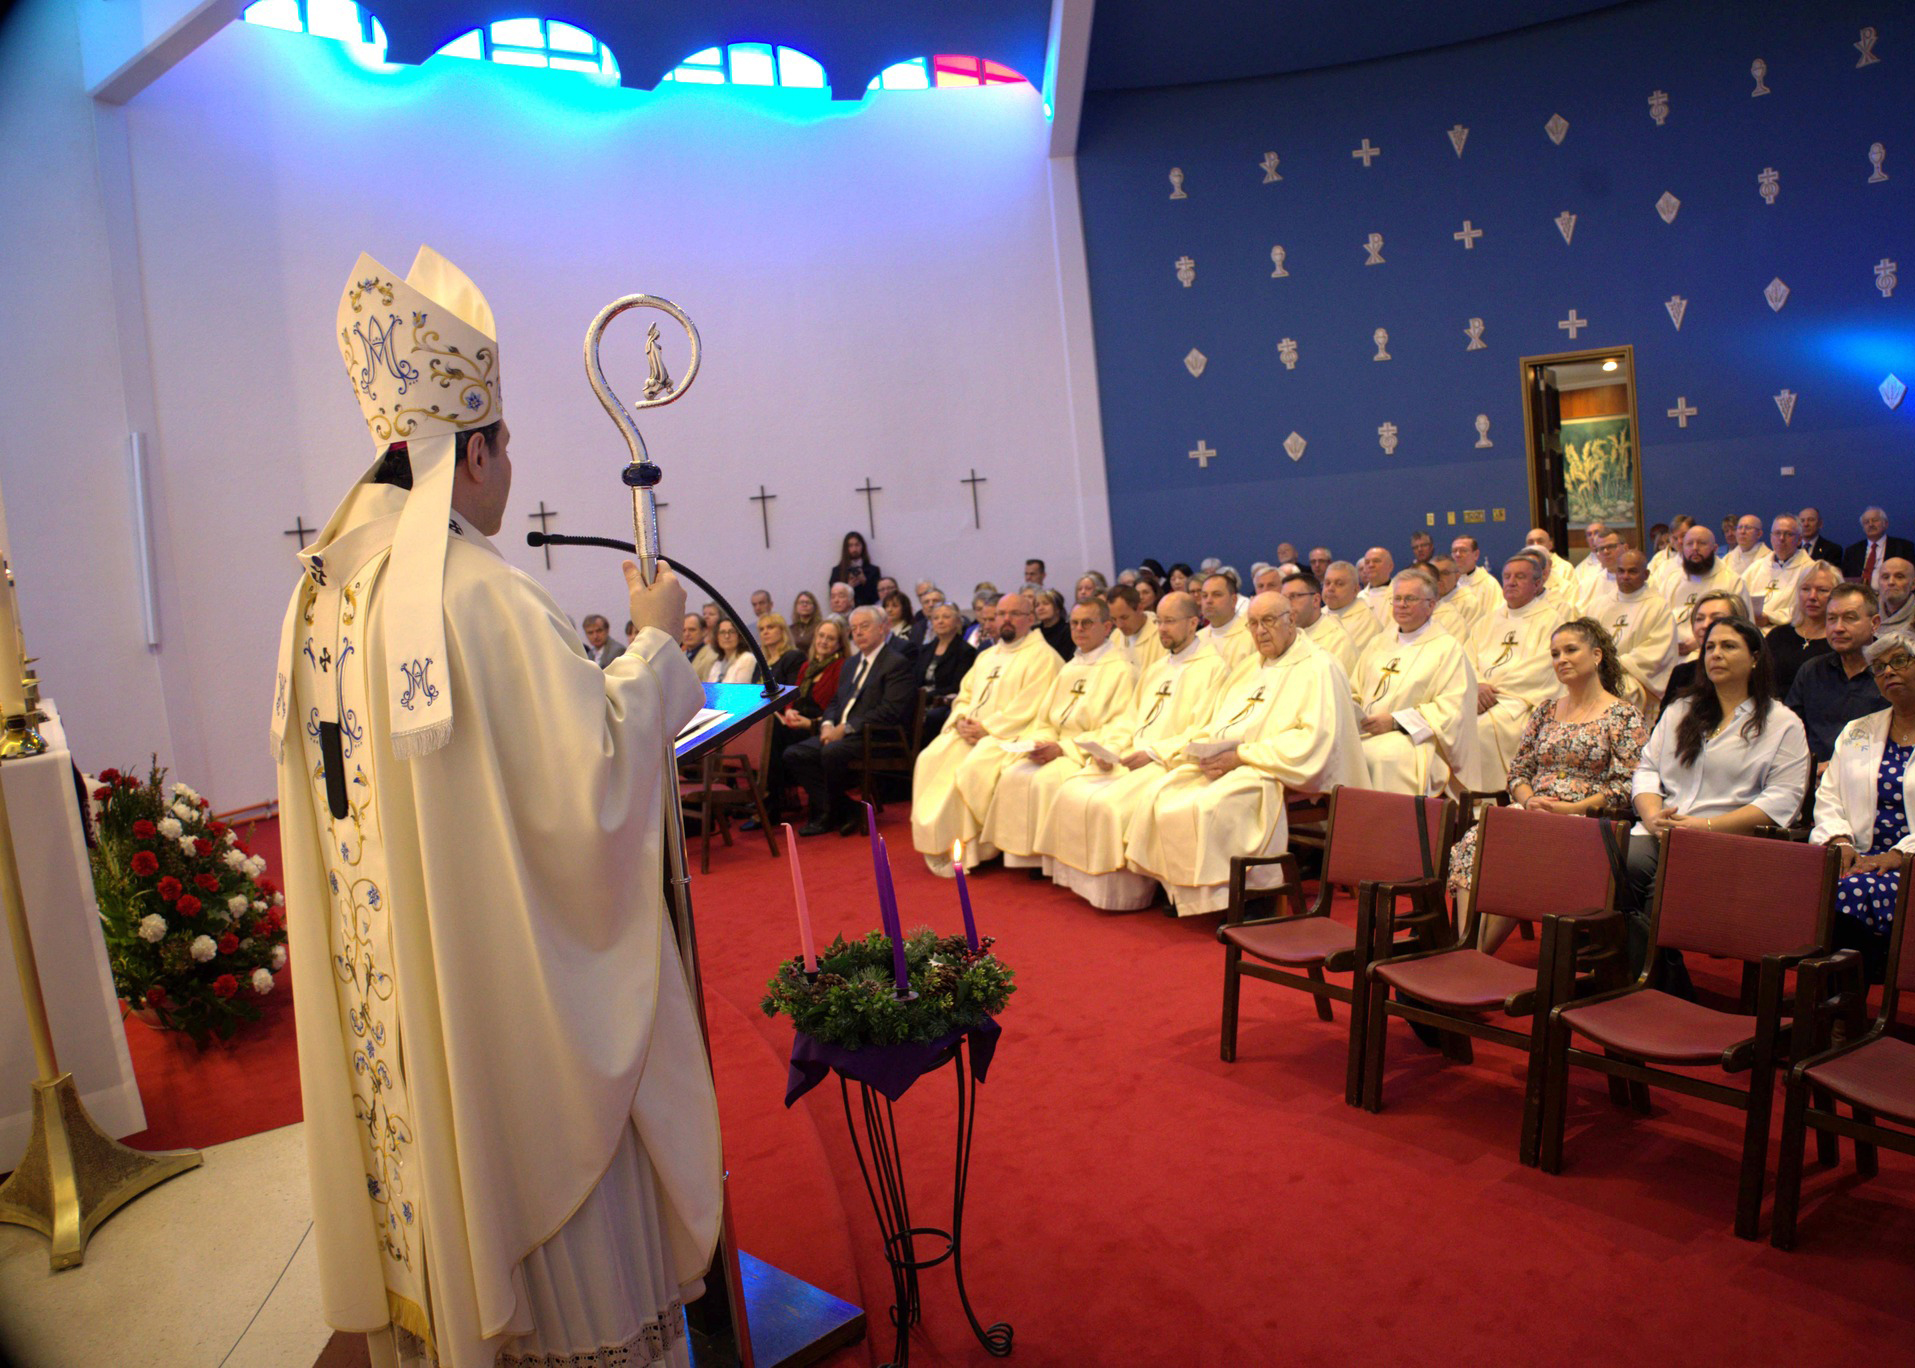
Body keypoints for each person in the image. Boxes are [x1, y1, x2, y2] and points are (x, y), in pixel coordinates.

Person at [274, 248, 717, 1368]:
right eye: (505, 442)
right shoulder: (479, 594)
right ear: (472, 451)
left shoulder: (323, 602)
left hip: (418, 1034)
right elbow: (592, 797)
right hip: (514, 1025)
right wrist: (659, 643)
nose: (509, 464)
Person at [1126, 592, 1367, 915]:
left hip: (1276, 768)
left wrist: (1243, 755)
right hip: (1236, 760)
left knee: (1213, 805)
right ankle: (1185, 891)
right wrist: (1207, 753)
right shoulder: (1248, 667)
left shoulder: (1319, 666)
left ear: (1291, 620)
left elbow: (1314, 740)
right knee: (1162, 792)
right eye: (1252, 623)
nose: (1260, 631)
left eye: (1268, 621)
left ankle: (1251, 896)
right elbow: (1218, 722)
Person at [1628, 619, 1811, 985]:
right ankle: (1654, 985)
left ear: (1756, 657)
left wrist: (1704, 827)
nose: (1716, 654)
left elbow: (1783, 800)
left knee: (1655, 885)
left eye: (1729, 646)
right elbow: (1647, 768)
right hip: (1665, 828)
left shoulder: (1781, 723)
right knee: (1619, 864)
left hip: (1728, 840)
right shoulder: (1682, 710)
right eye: (1710, 647)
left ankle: (1652, 990)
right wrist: (1651, 816)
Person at [1449, 620, 1647, 948]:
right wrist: (1528, 801)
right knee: (1476, 839)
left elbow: (1627, 785)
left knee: (1528, 853)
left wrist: (1569, 808)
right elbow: (1519, 772)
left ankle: (1474, 955)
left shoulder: (1623, 715)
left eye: (1571, 650)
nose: (1561, 660)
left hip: (1587, 820)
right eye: (1555, 654)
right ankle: (1467, 945)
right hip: (1535, 810)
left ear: (1597, 655)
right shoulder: (1545, 711)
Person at [1035, 593, 1227, 910]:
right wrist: (1109, 748)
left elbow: (1204, 729)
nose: (1162, 629)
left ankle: (1124, 897)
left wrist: (1154, 753)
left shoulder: (1213, 668)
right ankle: (1089, 887)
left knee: (1109, 805)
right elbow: (1130, 719)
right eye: (1160, 621)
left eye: (1169, 622)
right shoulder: (1156, 669)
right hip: (1131, 755)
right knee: (1071, 789)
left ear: (1193, 623)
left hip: (1168, 761)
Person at [976, 599, 1137, 869]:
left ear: (1107, 626)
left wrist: (1063, 748)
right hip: (1056, 744)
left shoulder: (1122, 669)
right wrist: (1041, 741)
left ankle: (1047, 861)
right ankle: (1021, 858)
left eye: (1087, 623)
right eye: (1074, 623)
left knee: (1043, 781)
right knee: (1013, 774)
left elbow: (1120, 726)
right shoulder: (1069, 668)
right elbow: (1045, 717)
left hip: (1082, 751)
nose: (1079, 629)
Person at [910, 593, 1062, 875]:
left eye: (1014, 614)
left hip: (1008, 735)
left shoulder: (1043, 657)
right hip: (971, 732)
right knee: (928, 758)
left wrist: (987, 729)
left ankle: (971, 846)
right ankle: (938, 842)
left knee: (969, 769)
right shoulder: (986, 656)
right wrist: (960, 721)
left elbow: (1030, 705)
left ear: (1030, 619)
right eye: (1000, 614)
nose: (1006, 620)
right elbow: (965, 695)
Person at [1810, 629, 1915, 979]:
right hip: (1858, 858)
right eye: (1880, 667)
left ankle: (1838, 1008)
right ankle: (1839, 1006)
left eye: (1900, 661)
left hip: (1908, 865)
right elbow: (1829, 795)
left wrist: (1899, 856)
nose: (1888, 672)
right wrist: (1839, 841)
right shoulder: (1859, 730)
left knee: (1847, 894)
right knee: (1809, 885)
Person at [784, 606, 916, 836]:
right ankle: (849, 808)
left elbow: (890, 711)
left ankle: (828, 814)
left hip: (875, 736)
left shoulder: (896, 663)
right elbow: (836, 702)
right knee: (794, 753)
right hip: (842, 734)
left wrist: (845, 728)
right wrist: (827, 725)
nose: (858, 633)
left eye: (864, 627)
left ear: (882, 628)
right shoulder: (852, 663)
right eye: (854, 628)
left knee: (831, 752)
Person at [1349, 569, 1478, 795]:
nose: (1402, 605)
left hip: (1417, 741)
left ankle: (1389, 828)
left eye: (1410, 599)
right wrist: (1353, 711)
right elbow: (1354, 691)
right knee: (1343, 752)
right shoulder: (1378, 644)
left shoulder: (1447, 649)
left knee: (1381, 757)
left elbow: (1452, 710)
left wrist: (1396, 722)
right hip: (1368, 732)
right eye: (1397, 599)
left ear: (1431, 605)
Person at [1465, 554, 1569, 793]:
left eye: (1520, 577)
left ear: (1537, 584)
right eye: (1507, 577)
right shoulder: (1487, 621)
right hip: (1479, 697)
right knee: (1452, 726)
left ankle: (1490, 799)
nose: (1511, 582)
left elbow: (1543, 668)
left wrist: (1492, 690)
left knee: (1479, 730)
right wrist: (1478, 685)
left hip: (1520, 701)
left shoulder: (1550, 620)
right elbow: (1467, 659)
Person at [1785, 582, 1885, 765]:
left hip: (1873, 778)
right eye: (1831, 618)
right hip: (1812, 777)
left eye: (1850, 618)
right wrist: (1809, 768)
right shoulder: (1811, 671)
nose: (1838, 627)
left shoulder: (1891, 673)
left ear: (1875, 623)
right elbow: (1788, 733)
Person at [768, 620, 848, 815]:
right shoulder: (807, 666)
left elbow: (836, 706)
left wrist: (810, 723)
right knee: (769, 728)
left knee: (775, 736)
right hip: (798, 722)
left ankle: (773, 802)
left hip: (819, 725)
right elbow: (794, 696)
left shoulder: (841, 666)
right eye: (821, 636)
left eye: (830, 638)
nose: (824, 641)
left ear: (839, 644)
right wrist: (788, 711)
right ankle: (772, 798)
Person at [1588, 548, 1677, 719]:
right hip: (1599, 673)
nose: (1625, 576)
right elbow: (1585, 641)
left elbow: (1658, 650)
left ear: (1646, 574)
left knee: (1622, 694)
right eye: (1621, 571)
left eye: (1632, 571)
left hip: (1634, 678)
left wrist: (1617, 665)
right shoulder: (1598, 605)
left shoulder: (1657, 607)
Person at [1663, 524, 1746, 658]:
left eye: (1702, 543)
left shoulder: (1732, 581)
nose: (1695, 548)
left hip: (1713, 652)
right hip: (1671, 652)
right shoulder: (1672, 581)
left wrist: (1699, 642)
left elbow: (1742, 628)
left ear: (1714, 549)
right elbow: (1661, 620)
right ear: (1683, 549)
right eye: (1689, 544)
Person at [1765, 561, 1839, 695]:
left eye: (1822, 590)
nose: (1812, 597)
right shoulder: (1777, 636)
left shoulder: (1840, 641)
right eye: (1806, 589)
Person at [1662, 589, 1747, 698]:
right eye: (1699, 619)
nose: (1705, 625)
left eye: (1716, 618)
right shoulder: (1682, 674)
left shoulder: (1748, 673)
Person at [916, 602, 978, 737]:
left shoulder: (965, 651)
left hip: (944, 702)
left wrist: (927, 696)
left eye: (946, 617)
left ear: (957, 622)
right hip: (920, 700)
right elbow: (915, 679)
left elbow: (958, 686)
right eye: (936, 618)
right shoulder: (925, 649)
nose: (940, 621)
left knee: (934, 716)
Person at [1742, 514, 1812, 630]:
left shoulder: (1809, 570)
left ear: (1799, 540)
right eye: (1777, 533)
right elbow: (1738, 597)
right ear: (1771, 537)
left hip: (1785, 631)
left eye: (1788, 534)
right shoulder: (1756, 567)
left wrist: (1769, 617)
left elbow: (1806, 608)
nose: (1781, 538)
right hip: (1750, 630)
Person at [1281, 570, 1356, 674]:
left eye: (1293, 596)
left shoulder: (1338, 641)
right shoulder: (1282, 636)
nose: (1287, 604)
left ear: (1315, 600)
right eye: (1284, 598)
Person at [1842, 506, 1914, 591]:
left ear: (1886, 524)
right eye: (1866, 522)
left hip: (1890, 596)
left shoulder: (1903, 547)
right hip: (1858, 597)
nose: (1871, 524)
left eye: (1875, 520)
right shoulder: (1852, 551)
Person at [1321, 560, 1382, 656]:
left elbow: (1348, 659)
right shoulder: (1318, 614)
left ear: (1355, 590)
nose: (1331, 588)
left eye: (1339, 584)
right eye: (1327, 583)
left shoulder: (1366, 622)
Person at [1199, 571, 1255, 674]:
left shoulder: (1251, 636)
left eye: (1216, 595)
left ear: (1233, 600)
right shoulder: (1197, 639)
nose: (1208, 601)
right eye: (1204, 596)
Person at [1107, 583, 1165, 678]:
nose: (1119, 625)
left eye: (1124, 617)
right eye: (1114, 619)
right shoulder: (1115, 636)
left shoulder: (1161, 634)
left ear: (1140, 608)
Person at [1429, 556, 1481, 641]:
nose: (1438, 577)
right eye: (1434, 573)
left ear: (1457, 576)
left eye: (1444, 573)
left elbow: (1472, 639)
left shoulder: (1469, 603)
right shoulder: (1423, 602)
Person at [1451, 535, 1501, 621]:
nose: (1458, 554)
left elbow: (1497, 615)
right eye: (1454, 551)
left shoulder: (1489, 584)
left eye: (1463, 550)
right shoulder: (1447, 584)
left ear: (1476, 555)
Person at [828, 531, 881, 606]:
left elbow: (877, 597)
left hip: (867, 611)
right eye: (850, 545)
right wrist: (848, 588)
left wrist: (865, 582)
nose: (854, 549)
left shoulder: (873, 571)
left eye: (857, 545)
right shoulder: (837, 571)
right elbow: (833, 598)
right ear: (846, 549)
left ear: (862, 546)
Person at [756, 613, 803, 685]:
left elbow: (793, 691)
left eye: (770, 627)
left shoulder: (793, 657)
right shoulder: (760, 664)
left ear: (782, 631)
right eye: (761, 629)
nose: (765, 632)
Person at [704, 617, 754, 684]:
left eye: (731, 632)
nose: (727, 636)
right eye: (722, 632)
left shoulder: (747, 659)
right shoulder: (718, 663)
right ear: (717, 637)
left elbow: (739, 691)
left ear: (739, 635)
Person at [1722, 513, 1770, 578]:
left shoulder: (1769, 558)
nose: (1742, 532)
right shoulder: (1727, 559)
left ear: (1759, 534)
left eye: (1748, 528)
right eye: (1740, 527)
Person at [1357, 547, 1396, 624]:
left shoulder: (1399, 594)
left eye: (1376, 561)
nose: (1371, 565)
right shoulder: (1359, 598)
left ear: (1390, 566)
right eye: (1367, 562)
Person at [1034, 586, 1074, 658]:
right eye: (1037, 605)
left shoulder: (1068, 631)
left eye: (1045, 603)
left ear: (1057, 608)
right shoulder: (1033, 631)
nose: (1040, 608)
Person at [1880, 557, 1915, 631]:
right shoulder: (1868, 611)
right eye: (1885, 577)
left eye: (1899, 577)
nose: (1891, 582)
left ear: (1913, 584)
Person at [682, 613, 718, 680]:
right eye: (684, 630)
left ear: (704, 631)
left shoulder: (712, 657)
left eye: (692, 630)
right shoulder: (680, 656)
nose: (687, 634)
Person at [789, 590, 823, 655]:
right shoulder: (791, 629)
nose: (804, 605)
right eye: (801, 602)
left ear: (814, 607)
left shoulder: (820, 627)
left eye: (808, 602)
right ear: (796, 606)